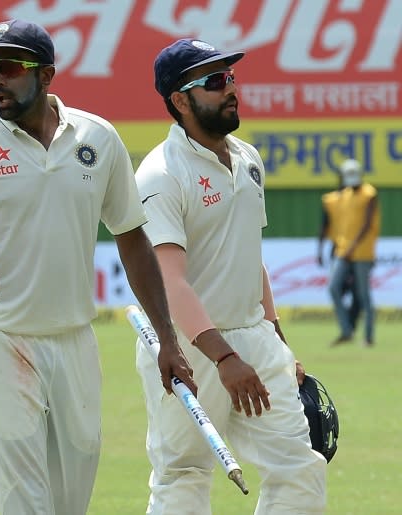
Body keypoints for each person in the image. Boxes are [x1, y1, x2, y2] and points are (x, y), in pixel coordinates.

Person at [0, 19, 196, 515]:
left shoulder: (97, 139)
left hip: (75, 339)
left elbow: (133, 240)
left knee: (70, 501)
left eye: (11, 67)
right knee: (26, 501)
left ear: (48, 75)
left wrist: (167, 336)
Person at [134, 38, 327, 514]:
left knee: (299, 465)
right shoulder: (161, 173)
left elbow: (248, 255)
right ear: (181, 100)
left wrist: (276, 338)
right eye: (215, 82)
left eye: (231, 78)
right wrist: (223, 357)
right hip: (188, 348)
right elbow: (169, 280)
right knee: (184, 474)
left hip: (252, 339)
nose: (231, 89)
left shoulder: (247, 159)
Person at [325, 158, 380, 347]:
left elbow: (366, 225)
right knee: (333, 287)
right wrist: (336, 245)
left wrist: (352, 247)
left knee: (364, 295)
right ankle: (347, 330)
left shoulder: (369, 193)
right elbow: (340, 224)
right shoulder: (344, 195)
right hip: (343, 250)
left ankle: (369, 336)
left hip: (363, 252)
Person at [317, 168, 362, 334]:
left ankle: (350, 325)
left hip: (358, 252)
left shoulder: (361, 199)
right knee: (337, 288)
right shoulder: (331, 200)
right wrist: (320, 251)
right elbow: (324, 226)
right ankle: (346, 326)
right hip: (338, 250)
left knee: (359, 293)